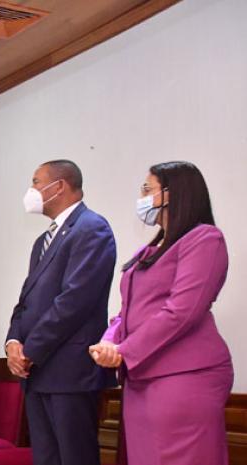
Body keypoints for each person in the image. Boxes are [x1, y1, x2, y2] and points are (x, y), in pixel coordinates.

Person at [90, 161, 233, 465]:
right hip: (141, 377)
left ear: (173, 193)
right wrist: (109, 342)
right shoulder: (149, 251)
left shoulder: (205, 239)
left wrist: (125, 350)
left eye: (147, 189)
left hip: (184, 376)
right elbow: (125, 312)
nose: (141, 196)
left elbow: (182, 311)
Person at [5, 160, 116, 465]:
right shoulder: (43, 240)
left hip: (69, 369)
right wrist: (13, 340)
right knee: (46, 457)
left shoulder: (91, 228)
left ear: (60, 186)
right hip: (38, 370)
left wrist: (32, 348)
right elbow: (26, 299)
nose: (32, 190)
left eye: (36, 182)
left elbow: (74, 301)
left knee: (74, 456)